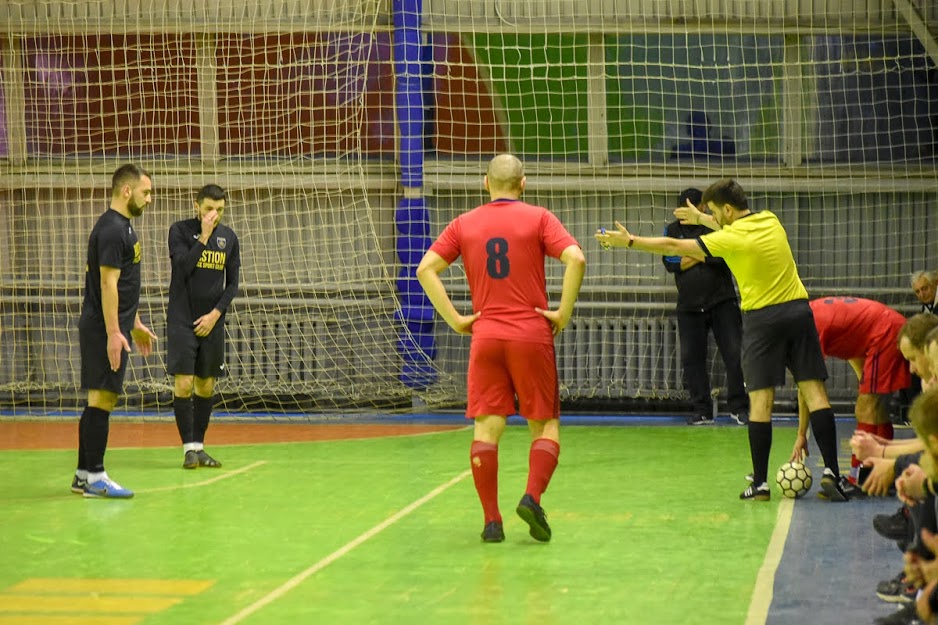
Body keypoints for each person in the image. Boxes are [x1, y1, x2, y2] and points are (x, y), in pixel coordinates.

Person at [596, 178, 853, 502]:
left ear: (727, 210)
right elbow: (729, 224)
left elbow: (674, 248)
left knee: (761, 403)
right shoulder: (770, 220)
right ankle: (833, 475)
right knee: (815, 394)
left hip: (763, 321)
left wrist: (630, 241)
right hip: (799, 312)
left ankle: (759, 483)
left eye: (715, 212)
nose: (713, 218)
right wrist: (703, 219)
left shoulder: (729, 239)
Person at [416, 154, 586, 543]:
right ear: (523, 184)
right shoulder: (539, 217)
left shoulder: (464, 223)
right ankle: (531, 496)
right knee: (544, 425)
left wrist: (456, 319)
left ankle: (492, 522)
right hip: (530, 333)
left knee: (486, 429)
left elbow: (425, 268)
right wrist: (562, 311)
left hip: (487, 336)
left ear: (485, 183)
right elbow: (575, 257)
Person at [73, 164, 158, 498]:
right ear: (127, 191)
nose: (149, 199)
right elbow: (107, 284)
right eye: (145, 192)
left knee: (99, 398)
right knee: (102, 399)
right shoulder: (112, 229)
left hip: (115, 326)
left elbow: (123, 285)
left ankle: (83, 473)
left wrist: (133, 323)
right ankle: (96, 476)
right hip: (101, 329)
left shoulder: (125, 229)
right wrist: (112, 332)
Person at [167, 184, 240, 469]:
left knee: (206, 386)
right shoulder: (180, 231)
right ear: (197, 206)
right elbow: (182, 268)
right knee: (184, 383)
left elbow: (232, 283)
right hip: (182, 320)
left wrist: (215, 315)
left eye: (220, 210)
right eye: (209, 208)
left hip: (212, 323)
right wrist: (204, 236)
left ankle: (200, 446)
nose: (214, 215)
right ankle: (188, 449)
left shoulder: (230, 238)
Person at [661, 187, 748, 426]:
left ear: (700, 208)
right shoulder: (671, 230)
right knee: (692, 359)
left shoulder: (713, 226)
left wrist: (687, 255)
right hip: (689, 306)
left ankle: (739, 408)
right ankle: (702, 410)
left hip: (722, 302)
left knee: (734, 353)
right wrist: (702, 253)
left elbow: (722, 257)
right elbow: (670, 261)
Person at [804, 297, 910, 483]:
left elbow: (808, 388)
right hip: (887, 327)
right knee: (876, 409)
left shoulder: (807, 330)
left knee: (865, 408)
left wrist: (800, 434)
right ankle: (882, 472)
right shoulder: (810, 314)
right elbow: (856, 340)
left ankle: (859, 478)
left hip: (886, 331)